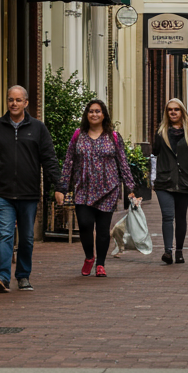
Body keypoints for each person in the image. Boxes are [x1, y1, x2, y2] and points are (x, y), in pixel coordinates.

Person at [0, 85, 60, 291]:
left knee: (26, 237)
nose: (13, 104)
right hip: (2, 192)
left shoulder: (38, 128)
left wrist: (58, 185)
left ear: (26, 103)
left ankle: (23, 276)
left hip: (28, 193)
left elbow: (49, 159)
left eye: (18, 100)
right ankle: (3, 277)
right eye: (10, 100)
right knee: (5, 235)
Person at [57, 99, 137, 277]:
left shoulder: (113, 137)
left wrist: (131, 187)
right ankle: (89, 257)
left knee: (102, 230)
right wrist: (62, 187)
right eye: (91, 111)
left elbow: (122, 163)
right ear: (87, 114)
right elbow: (69, 162)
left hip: (108, 189)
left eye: (98, 111)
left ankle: (100, 264)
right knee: (85, 224)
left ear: (104, 115)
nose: (94, 114)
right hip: (83, 189)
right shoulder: (78, 135)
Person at [151, 98, 188, 266]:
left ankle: (179, 251)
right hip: (164, 181)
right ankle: (168, 251)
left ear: (182, 112)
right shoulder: (161, 132)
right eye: (170, 110)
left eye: (176, 109)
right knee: (168, 216)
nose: (173, 112)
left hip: (184, 181)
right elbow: (155, 152)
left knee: (181, 217)